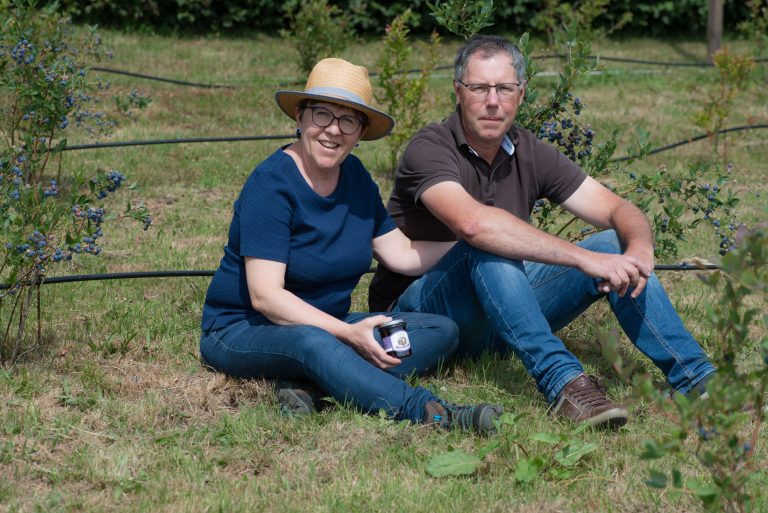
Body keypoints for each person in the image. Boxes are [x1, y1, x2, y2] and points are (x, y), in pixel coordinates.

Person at [369, 36, 715, 428]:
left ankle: (697, 380)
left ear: (521, 93)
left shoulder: (528, 150)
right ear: (458, 91)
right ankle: (565, 384)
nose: (492, 100)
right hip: (422, 321)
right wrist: (584, 259)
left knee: (614, 241)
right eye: (479, 87)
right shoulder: (429, 148)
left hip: (499, 314)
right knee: (486, 243)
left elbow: (618, 207)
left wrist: (637, 246)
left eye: (504, 88)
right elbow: (474, 225)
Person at [200, 58, 502, 433]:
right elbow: (266, 298)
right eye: (322, 114)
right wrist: (346, 334)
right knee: (312, 343)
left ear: (360, 132)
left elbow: (401, 254)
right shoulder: (272, 184)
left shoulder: (355, 177)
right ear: (300, 115)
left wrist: (476, 242)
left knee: (440, 331)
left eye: (348, 120)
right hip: (242, 329)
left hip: (327, 326)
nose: (333, 130)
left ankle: (311, 381)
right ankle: (431, 412)